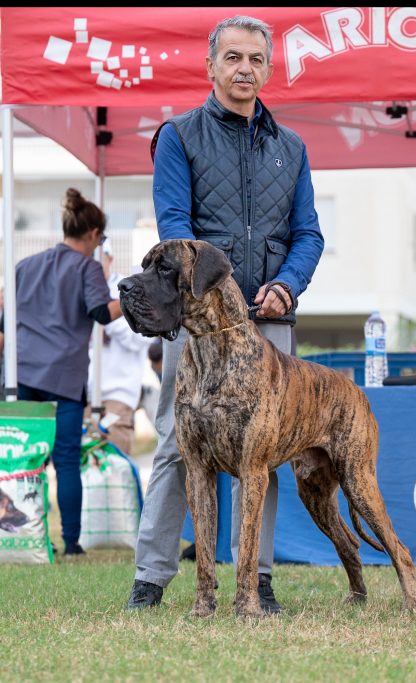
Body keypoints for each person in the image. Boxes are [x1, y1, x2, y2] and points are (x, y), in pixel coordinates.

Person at [126, 15, 324, 613]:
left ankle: (256, 578)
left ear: (269, 69)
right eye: (233, 58)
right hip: (199, 325)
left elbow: (308, 235)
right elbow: (175, 230)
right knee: (174, 444)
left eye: (256, 60)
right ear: (210, 66)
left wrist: (287, 285)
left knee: (260, 456)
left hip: (271, 324)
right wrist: (219, 297)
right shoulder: (179, 137)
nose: (245, 69)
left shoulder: (292, 148)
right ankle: (151, 577)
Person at [1, 188, 122, 556]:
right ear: (92, 234)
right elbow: (103, 313)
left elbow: (6, 320)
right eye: (101, 238)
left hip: (21, 377)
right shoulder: (87, 267)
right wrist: (132, 300)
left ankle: (26, 533)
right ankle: (71, 544)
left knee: (23, 459)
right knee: (66, 461)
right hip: (64, 380)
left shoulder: (25, 265)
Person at [87, 238, 154, 455]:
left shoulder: (127, 290)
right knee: (85, 471)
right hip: (83, 398)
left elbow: (143, 337)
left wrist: (106, 316)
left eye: (99, 260)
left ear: (110, 259)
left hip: (118, 397)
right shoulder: (78, 293)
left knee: (115, 470)